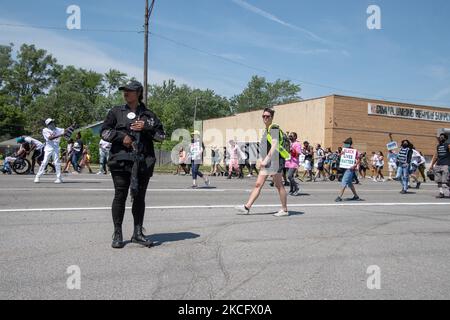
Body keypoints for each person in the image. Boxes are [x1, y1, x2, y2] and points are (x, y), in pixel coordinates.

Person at [100, 80, 165, 249]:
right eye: (124, 90)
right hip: (121, 161)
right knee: (120, 196)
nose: (125, 93)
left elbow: (161, 136)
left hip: (143, 162)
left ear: (138, 93)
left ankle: (137, 233)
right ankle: (118, 233)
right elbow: (104, 132)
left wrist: (147, 128)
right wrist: (122, 138)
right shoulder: (116, 111)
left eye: (129, 90)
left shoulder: (149, 115)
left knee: (139, 198)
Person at [235, 108, 290, 217]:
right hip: (268, 161)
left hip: (275, 160)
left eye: (268, 116)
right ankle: (247, 207)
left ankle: (284, 210)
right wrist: (261, 158)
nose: (265, 118)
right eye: (263, 116)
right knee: (258, 184)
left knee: (279, 185)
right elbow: (265, 147)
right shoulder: (266, 130)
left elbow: (274, 145)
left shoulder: (274, 128)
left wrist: (266, 160)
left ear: (272, 117)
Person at [34, 118, 65, 184]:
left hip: (56, 148)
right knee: (44, 162)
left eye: (53, 122)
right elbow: (50, 138)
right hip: (48, 148)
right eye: (51, 123)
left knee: (57, 163)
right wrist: (60, 135)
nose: (53, 123)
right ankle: (38, 176)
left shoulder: (58, 129)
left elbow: (66, 131)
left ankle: (59, 178)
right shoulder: (45, 130)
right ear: (48, 125)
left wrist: (72, 126)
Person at [335, 138, 360, 202]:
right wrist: (341, 154)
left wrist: (354, 165)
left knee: (344, 181)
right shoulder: (344, 150)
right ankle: (356, 196)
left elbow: (359, 159)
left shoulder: (354, 151)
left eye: (346, 143)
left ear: (349, 144)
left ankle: (339, 196)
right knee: (349, 183)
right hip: (344, 168)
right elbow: (341, 158)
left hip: (350, 169)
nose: (344, 144)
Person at [430, 133, 450, 198]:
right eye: (440, 137)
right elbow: (436, 157)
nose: (441, 138)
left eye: (442, 137)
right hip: (438, 165)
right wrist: (432, 165)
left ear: (445, 138)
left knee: (445, 181)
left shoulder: (448, 145)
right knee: (438, 180)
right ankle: (441, 193)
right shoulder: (438, 146)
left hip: (446, 165)